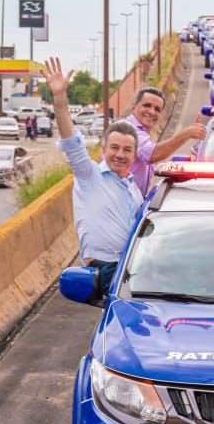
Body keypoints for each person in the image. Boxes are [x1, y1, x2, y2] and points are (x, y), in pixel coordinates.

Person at [43, 56, 142, 297]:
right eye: (115, 148)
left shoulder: (133, 189)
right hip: (105, 270)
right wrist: (59, 98)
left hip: (133, 270)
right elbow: (72, 143)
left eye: (127, 150)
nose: (120, 154)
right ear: (104, 149)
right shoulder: (90, 176)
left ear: (134, 154)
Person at [124, 86, 207, 197]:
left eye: (157, 109)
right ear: (133, 107)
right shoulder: (126, 129)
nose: (152, 112)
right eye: (146, 105)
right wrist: (186, 134)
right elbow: (153, 154)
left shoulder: (143, 134)